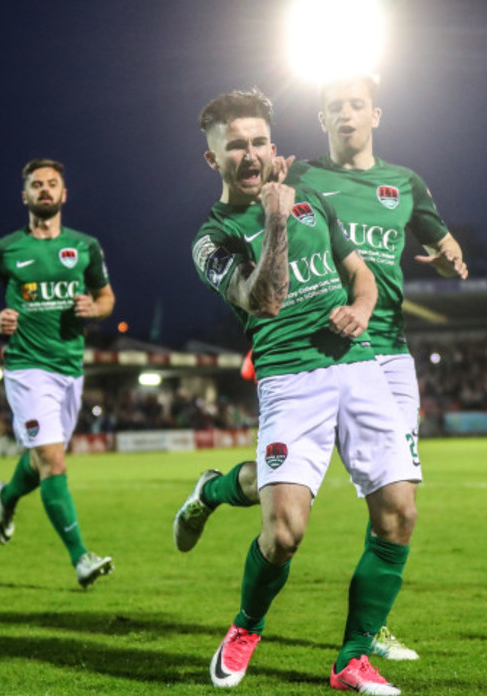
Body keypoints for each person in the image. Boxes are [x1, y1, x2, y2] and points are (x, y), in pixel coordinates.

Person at [174, 75, 468, 660]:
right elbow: (262, 288)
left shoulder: (395, 185)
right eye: (335, 107)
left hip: (380, 354)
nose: (251, 154)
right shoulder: (258, 206)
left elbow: (415, 249)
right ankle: (216, 494)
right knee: (280, 513)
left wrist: (431, 265)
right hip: (294, 364)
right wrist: (277, 215)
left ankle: (367, 634)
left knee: (396, 498)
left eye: (259, 142)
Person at [0, 158, 116, 588]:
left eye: (53, 184)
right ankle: (81, 559)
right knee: (53, 459)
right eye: (37, 185)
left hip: (70, 369)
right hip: (26, 368)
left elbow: (106, 296)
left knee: (39, 460)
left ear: (64, 194)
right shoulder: (3, 249)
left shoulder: (86, 247)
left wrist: (96, 308)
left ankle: (7, 495)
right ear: (25, 196)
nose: (45, 190)